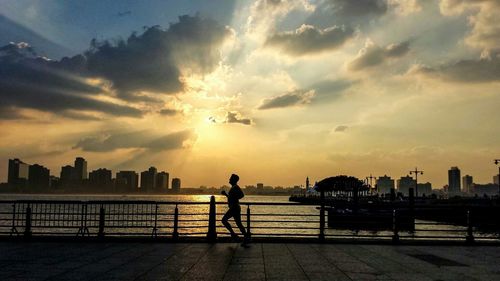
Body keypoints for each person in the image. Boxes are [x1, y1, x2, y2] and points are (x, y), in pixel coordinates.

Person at [221, 174, 249, 245]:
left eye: (230, 179)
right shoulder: (234, 187)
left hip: (234, 208)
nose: (229, 180)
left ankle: (234, 234)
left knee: (224, 220)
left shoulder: (236, 187)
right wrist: (226, 195)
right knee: (239, 224)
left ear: (234, 180)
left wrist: (235, 197)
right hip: (234, 208)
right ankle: (245, 238)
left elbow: (242, 195)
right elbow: (231, 198)